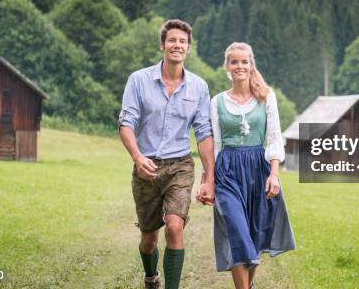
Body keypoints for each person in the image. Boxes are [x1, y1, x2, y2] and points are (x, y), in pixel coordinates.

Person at [118, 19, 215, 289]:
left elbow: (204, 132)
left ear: (189, 48)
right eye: (172, 40)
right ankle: (151, 277)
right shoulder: (138, 80)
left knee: (174, 226)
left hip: (180, 166)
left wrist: (209, 176)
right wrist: (137, 157)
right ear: (162, 45)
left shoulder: (199, 87)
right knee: (149, 239)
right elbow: (126, 123)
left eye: (182, 42)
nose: (177, 45)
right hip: (146, 166)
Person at [211, 42, 296, 289]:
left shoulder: (266, 96)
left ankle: (249, 285)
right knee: (237, 232)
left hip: (259, 169)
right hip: (227, 170)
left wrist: (274, 174)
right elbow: (216, 144)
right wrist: (210, 180)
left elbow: (274, 137)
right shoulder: (216, 101)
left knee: (255, 236)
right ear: (227, 66)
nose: (239, 66)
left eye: (244, 62)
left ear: (251, 65)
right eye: (234, 61)